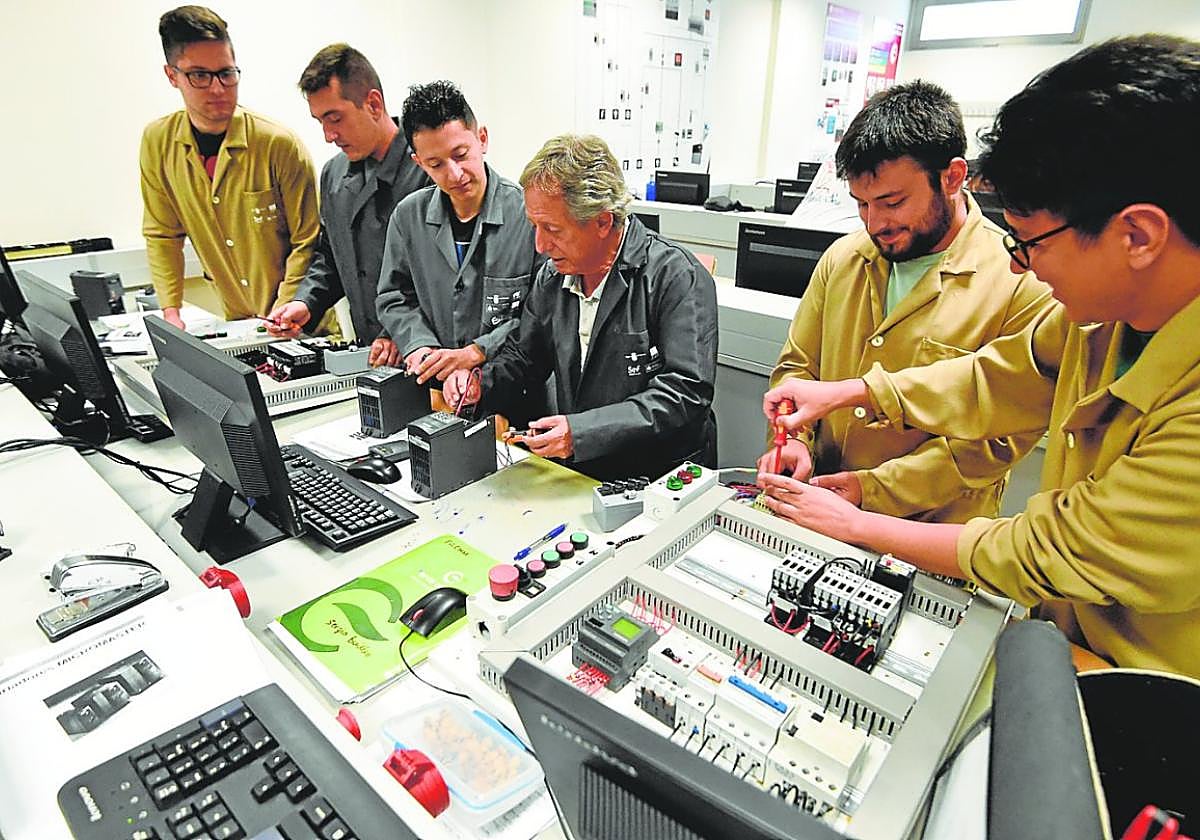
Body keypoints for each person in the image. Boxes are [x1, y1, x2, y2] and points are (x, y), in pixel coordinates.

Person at [758, 35, 1200, 678]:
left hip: (1146, 684)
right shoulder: (1100, 321)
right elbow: (995, 379)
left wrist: (861, 520)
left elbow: (1052, 547)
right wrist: (856, 392)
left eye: (1030, 242)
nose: (1021, 264)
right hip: (1057, 637)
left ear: (1137, 234)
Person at [758, 81, 1050, 523]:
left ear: (953, 177)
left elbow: (996, 440)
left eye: (892, 202)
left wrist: (870, 490)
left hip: (930, 531)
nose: (875, 223)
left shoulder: (1020, 279)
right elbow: (798, 366)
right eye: (861, 205)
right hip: (818, 509)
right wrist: (795, 440)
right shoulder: (843, 258)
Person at [444, 134, 718, 481]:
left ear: (603, 221)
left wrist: (582, 433)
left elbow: (685, 393)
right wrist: (480, 384)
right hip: (583, 469)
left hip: (658, 476)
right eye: (534, 226)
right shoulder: (553, 277)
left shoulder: (677, 277)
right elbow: (525, 357)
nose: (540, 245)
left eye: (552, 229)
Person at [140, 5, 319, 329]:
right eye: (199, 76)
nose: (218, 89)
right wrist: (171, 312)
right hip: (237, 322)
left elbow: (308, 241)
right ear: (172, 76)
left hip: (301, 324)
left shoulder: (278, 144)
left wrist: (283, 311)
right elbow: (162, 234)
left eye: (226, 73)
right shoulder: (158, 143)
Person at [266, 44, 430, 366]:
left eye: (335, 119)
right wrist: (306, 302)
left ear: (373, 104)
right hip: (371, 354)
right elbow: (330, 257)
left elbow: (445, 279)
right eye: (320, 122)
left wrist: (399, 332)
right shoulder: (334, 175)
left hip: (428, 355)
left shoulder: (428, 168)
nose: (329, 135)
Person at [375, 81, 540, 385]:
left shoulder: (529, 216)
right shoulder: (408, 218)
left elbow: (542, 311)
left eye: (461, 154)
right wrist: (420, 346)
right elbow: (394, 297)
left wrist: (477, 351)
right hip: (435, 388)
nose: (454, 174)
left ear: (482, 139)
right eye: (435, 164)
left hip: (514, 389)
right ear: (419, 163)